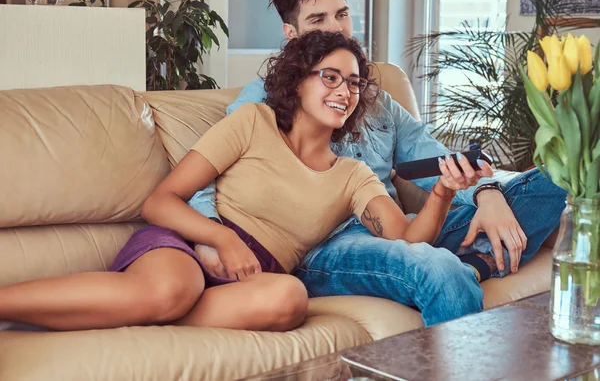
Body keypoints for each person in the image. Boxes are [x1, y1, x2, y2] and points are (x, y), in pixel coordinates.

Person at [0, 31, 490, 333]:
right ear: (297, 80)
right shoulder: (253, 121)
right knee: (175, 287)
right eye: (331, 77)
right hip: (190, 243)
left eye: (355, 83)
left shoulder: (353, 175)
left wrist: (444, 193)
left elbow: (409, 241)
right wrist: (219, 236)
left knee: (289, 299)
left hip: (256, 278)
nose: (345, 91)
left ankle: (138, 311)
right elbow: (160, 200)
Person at [189, 0, 568, 326]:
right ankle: (468, 266)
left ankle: (476, 266)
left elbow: (436, 159)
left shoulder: (375, 99)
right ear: (291, 34)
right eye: (317, 19)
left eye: (341, 14)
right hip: (330, 244)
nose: (336, 28)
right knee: (433, 266)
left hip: (400, 227)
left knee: (559, 179)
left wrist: (488, 193)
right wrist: (212, 237)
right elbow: (205, 176)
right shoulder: (262, 100)